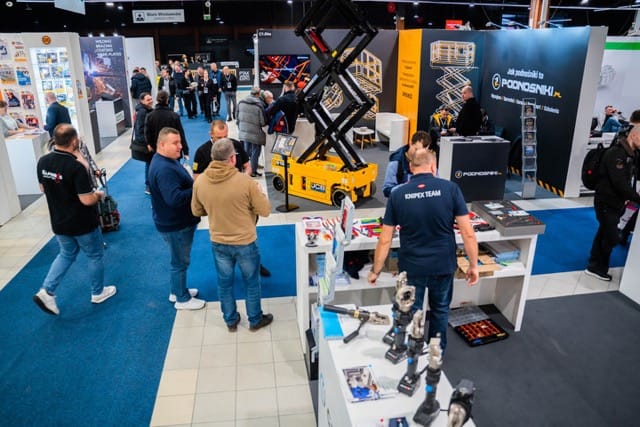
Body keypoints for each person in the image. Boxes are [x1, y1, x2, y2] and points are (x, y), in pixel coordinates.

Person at [369, 148, 478, 352]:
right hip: (443, 265)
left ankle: (412, 351)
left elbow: (385, 239)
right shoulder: (451, 189)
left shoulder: (398, 194)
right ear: (434, 167)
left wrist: (375, 270)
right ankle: (437, 352)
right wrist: (473, 265)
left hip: (412, 267)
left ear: (411, 167)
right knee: (440, 311)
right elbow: (468, 233)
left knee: (410, 312)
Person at [33, 124, 117, 315]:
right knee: (94, 255)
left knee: (66, 254)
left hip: (59, 221)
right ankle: (98, 292)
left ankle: (47, 290)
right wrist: (99, 195)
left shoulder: (43, 162)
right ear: (74, 141)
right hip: (82, 222)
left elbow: (43, 188)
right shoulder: (75, 166)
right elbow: (86, 199)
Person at [191, 138, 273, 331]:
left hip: (218, 241)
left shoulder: (200, 182)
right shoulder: (245, 182)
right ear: (232, 159)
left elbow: (196, 211)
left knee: (224, 284)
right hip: (245, 242)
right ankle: (255, 320)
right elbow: (265, 210)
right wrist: (258, 194)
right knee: (251, 282)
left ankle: (230, 320)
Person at [192, 120, 272, 277]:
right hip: (219, 207)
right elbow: (197, 178)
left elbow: (247, 166)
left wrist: (243, 181)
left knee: (249, 236)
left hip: (240, 202)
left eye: (226, 136)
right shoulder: (201, 152)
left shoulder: (235, 145)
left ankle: (253, 263)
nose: (224, 141)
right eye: (219, 137)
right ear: (211, 135)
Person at [148, 127, 205, 310]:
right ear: (162, 145)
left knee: (178, 260)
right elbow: (174, 198)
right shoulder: (165, 169)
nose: (180, 146)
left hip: (172, 221)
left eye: (180, 142)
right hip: (176, 224)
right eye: (175, 143)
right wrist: (197, 188)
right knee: (180, 262)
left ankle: (177, 290)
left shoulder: (164, 160)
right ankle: (182, 299)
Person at [586, 125, 640, 281]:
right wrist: (636, 197)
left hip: (616, 203)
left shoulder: (631, 154)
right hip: (606, 202)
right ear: (634, 135)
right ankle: (596, 266)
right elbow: (619, 183)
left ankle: (595, 266)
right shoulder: (616, 154)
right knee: (612, 237)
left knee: (603, 233)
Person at [382, 130, 432, 197]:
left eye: (422, 151)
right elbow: (386, 190)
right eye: (416, 149)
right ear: (410, 143)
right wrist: (406, 187)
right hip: (402, 200)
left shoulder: (429, 161)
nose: (418, 154)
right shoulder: (396, 162)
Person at [144, 90, 189, 162]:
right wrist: (185, 151)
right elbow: (180, 134)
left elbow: (147, 134)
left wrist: (150, 145)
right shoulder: (174, 116)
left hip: (158, 150)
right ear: (167, 100)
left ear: (157, 100)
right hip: (173, 149)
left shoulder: (150, 116)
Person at [237, 86, 267, 177]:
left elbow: (236, 116)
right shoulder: (259, 106)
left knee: (246, 151)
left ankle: (247, 168)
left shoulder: (241, 102)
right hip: (255, 133)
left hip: (244, 131)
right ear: (258, 94)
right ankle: (253, 170)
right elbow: (263, 122)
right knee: (255, 152)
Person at [130, 92, 155, 194]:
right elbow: (140, 130)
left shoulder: (145, 110)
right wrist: (148, 143)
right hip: (147, 143)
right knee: (149, 163)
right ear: (142, 101)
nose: (151, 101)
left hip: (149, 141)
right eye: (148, 100)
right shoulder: (142, 112)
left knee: (150, 163)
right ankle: (148, 185)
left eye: (151, 99)